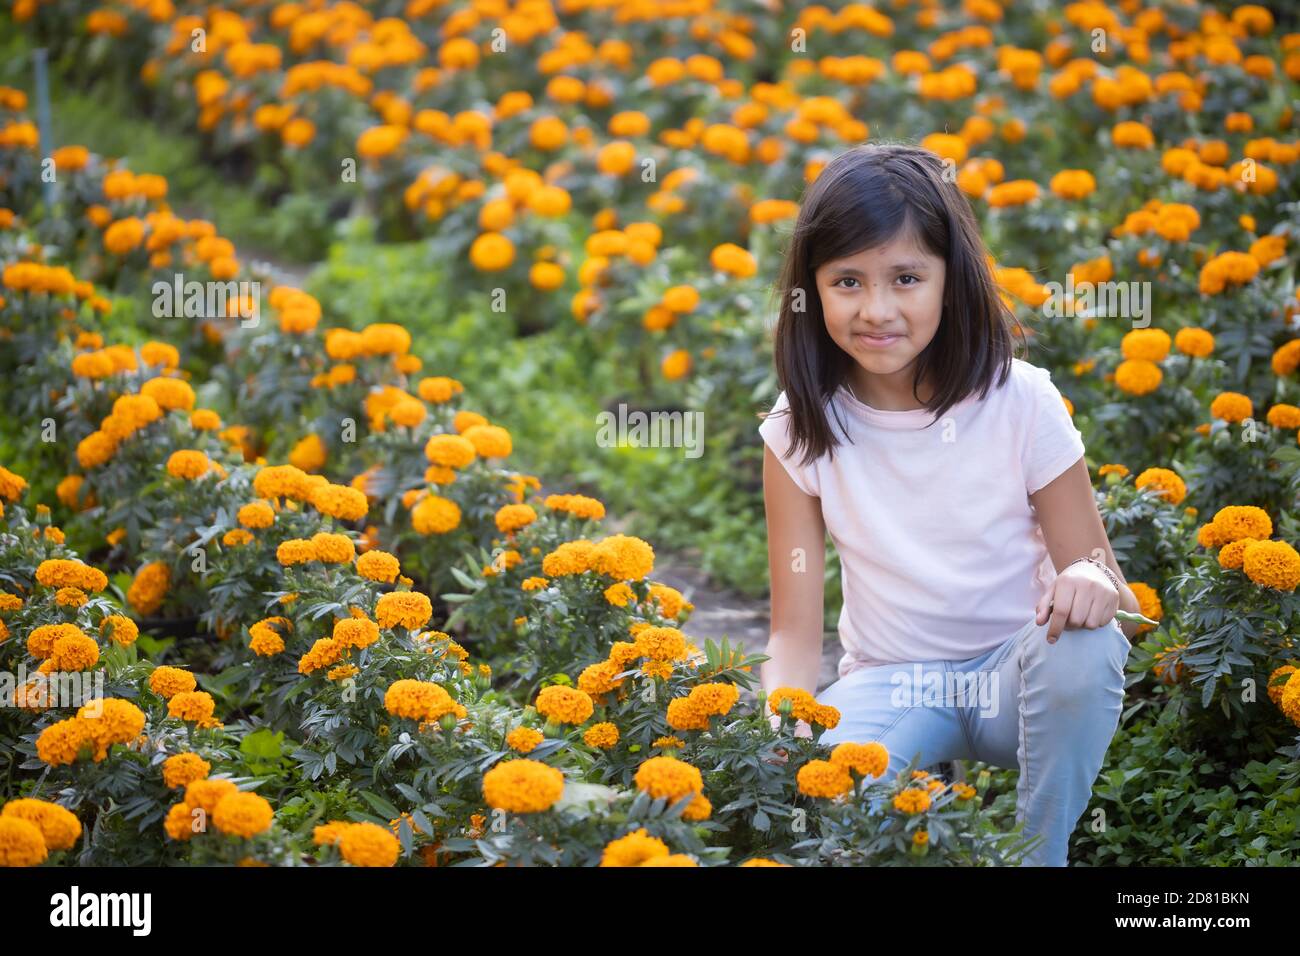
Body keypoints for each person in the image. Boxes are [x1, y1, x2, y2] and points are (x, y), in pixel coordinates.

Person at [757, 142, 1143, 867]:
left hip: (1018, 672)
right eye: (847, 281)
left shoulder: (1022, 399)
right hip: (888, 682)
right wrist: (786, 722)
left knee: (1086, 649)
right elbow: (793, 634)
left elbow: (1107, 588)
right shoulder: (799, 425)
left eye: (907, 278)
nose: (877, 310)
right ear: (811, 290)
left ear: (950, 279)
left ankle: (1040, 853)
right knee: (833, 810)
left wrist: (1090, 584)